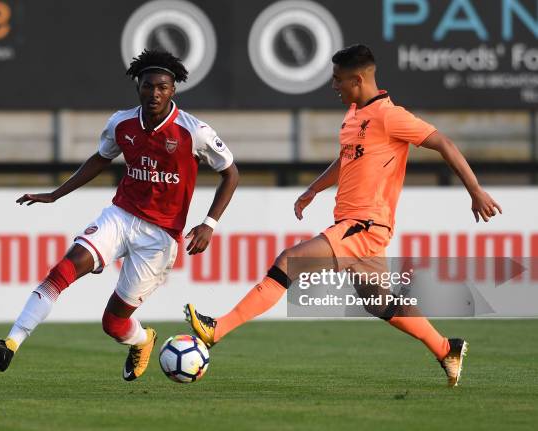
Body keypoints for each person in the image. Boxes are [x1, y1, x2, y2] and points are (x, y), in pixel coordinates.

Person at [185, 44, 502, 387]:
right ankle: (446, 348)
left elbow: (445, 144)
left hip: (366, 224)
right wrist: (314, 189)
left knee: (289, 260)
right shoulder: (353, 115)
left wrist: (475, 191)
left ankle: (218, 329)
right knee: (378, 303)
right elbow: (347, 160)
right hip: (351, 224)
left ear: (358, 78)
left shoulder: (389, 115)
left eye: (338, 80)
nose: (333, 86)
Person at [0, 49, 239, 381]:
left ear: (173, 89)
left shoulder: (194, 132)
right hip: (120, 216)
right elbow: (100, 159)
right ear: (137, 86)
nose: (154, 93)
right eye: (147, 86)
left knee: (113, 324)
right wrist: (56, 194)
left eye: (162, 87)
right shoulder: (121, 123)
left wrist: (209, 224)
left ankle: (143, 339)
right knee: (61, 272)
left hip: (160, 237)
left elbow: (231, 174)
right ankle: (9, 345)